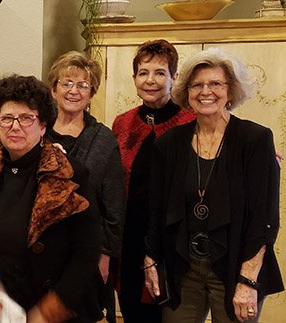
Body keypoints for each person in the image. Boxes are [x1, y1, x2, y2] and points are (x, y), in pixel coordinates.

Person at [143, 48, 283, 323]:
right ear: (187, 92)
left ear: (230, 91)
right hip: (183, 267)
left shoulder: (255, 140)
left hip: (236, 267)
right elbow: (156, 212)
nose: (206, 91)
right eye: (197, 85)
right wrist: (151, 261)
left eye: (215, 83)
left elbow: (264, 219)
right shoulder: (168, 144)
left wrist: (248, 279)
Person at [0, 74, 102, 323]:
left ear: (43, 125)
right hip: (5, 304)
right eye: (7, 118)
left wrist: (49, 309)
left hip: (56, 306)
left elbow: (87, 251)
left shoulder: (70, 174)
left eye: (26, 118)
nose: (15, 126)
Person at [111, 39, 194, 323]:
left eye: (160, 73)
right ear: (134, 78)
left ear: (174, 77)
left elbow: (227, 140)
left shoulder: (191, 122)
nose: (151, 80)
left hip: (173, 242)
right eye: (143, 72)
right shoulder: (122, 123)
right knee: (134, 314)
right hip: (129, 242)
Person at [45, 51, 125, 322]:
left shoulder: (103, 139)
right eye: (66, 83)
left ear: (91, 93)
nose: (74, 91)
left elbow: (114, 205)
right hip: (41, 252)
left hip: (86, 253)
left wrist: (104, 256)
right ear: (53, 88)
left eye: (83, 85)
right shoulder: (36, 132)